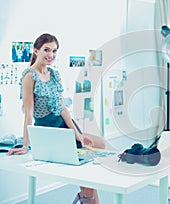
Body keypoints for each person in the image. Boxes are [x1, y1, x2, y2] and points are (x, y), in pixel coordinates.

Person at [7, 33, 104, 204]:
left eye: (54, 51)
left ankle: (85, 197)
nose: (51, 55)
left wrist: (78, 134)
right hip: (49, 130)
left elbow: (63, 109)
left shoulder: (55, 74)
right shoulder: (29, 76)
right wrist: (25, 145)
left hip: (65, 126)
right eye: (46, 50)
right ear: (36, 50)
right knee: (86, 170)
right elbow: (28, 113)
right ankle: (86, 198)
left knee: (99, 145)